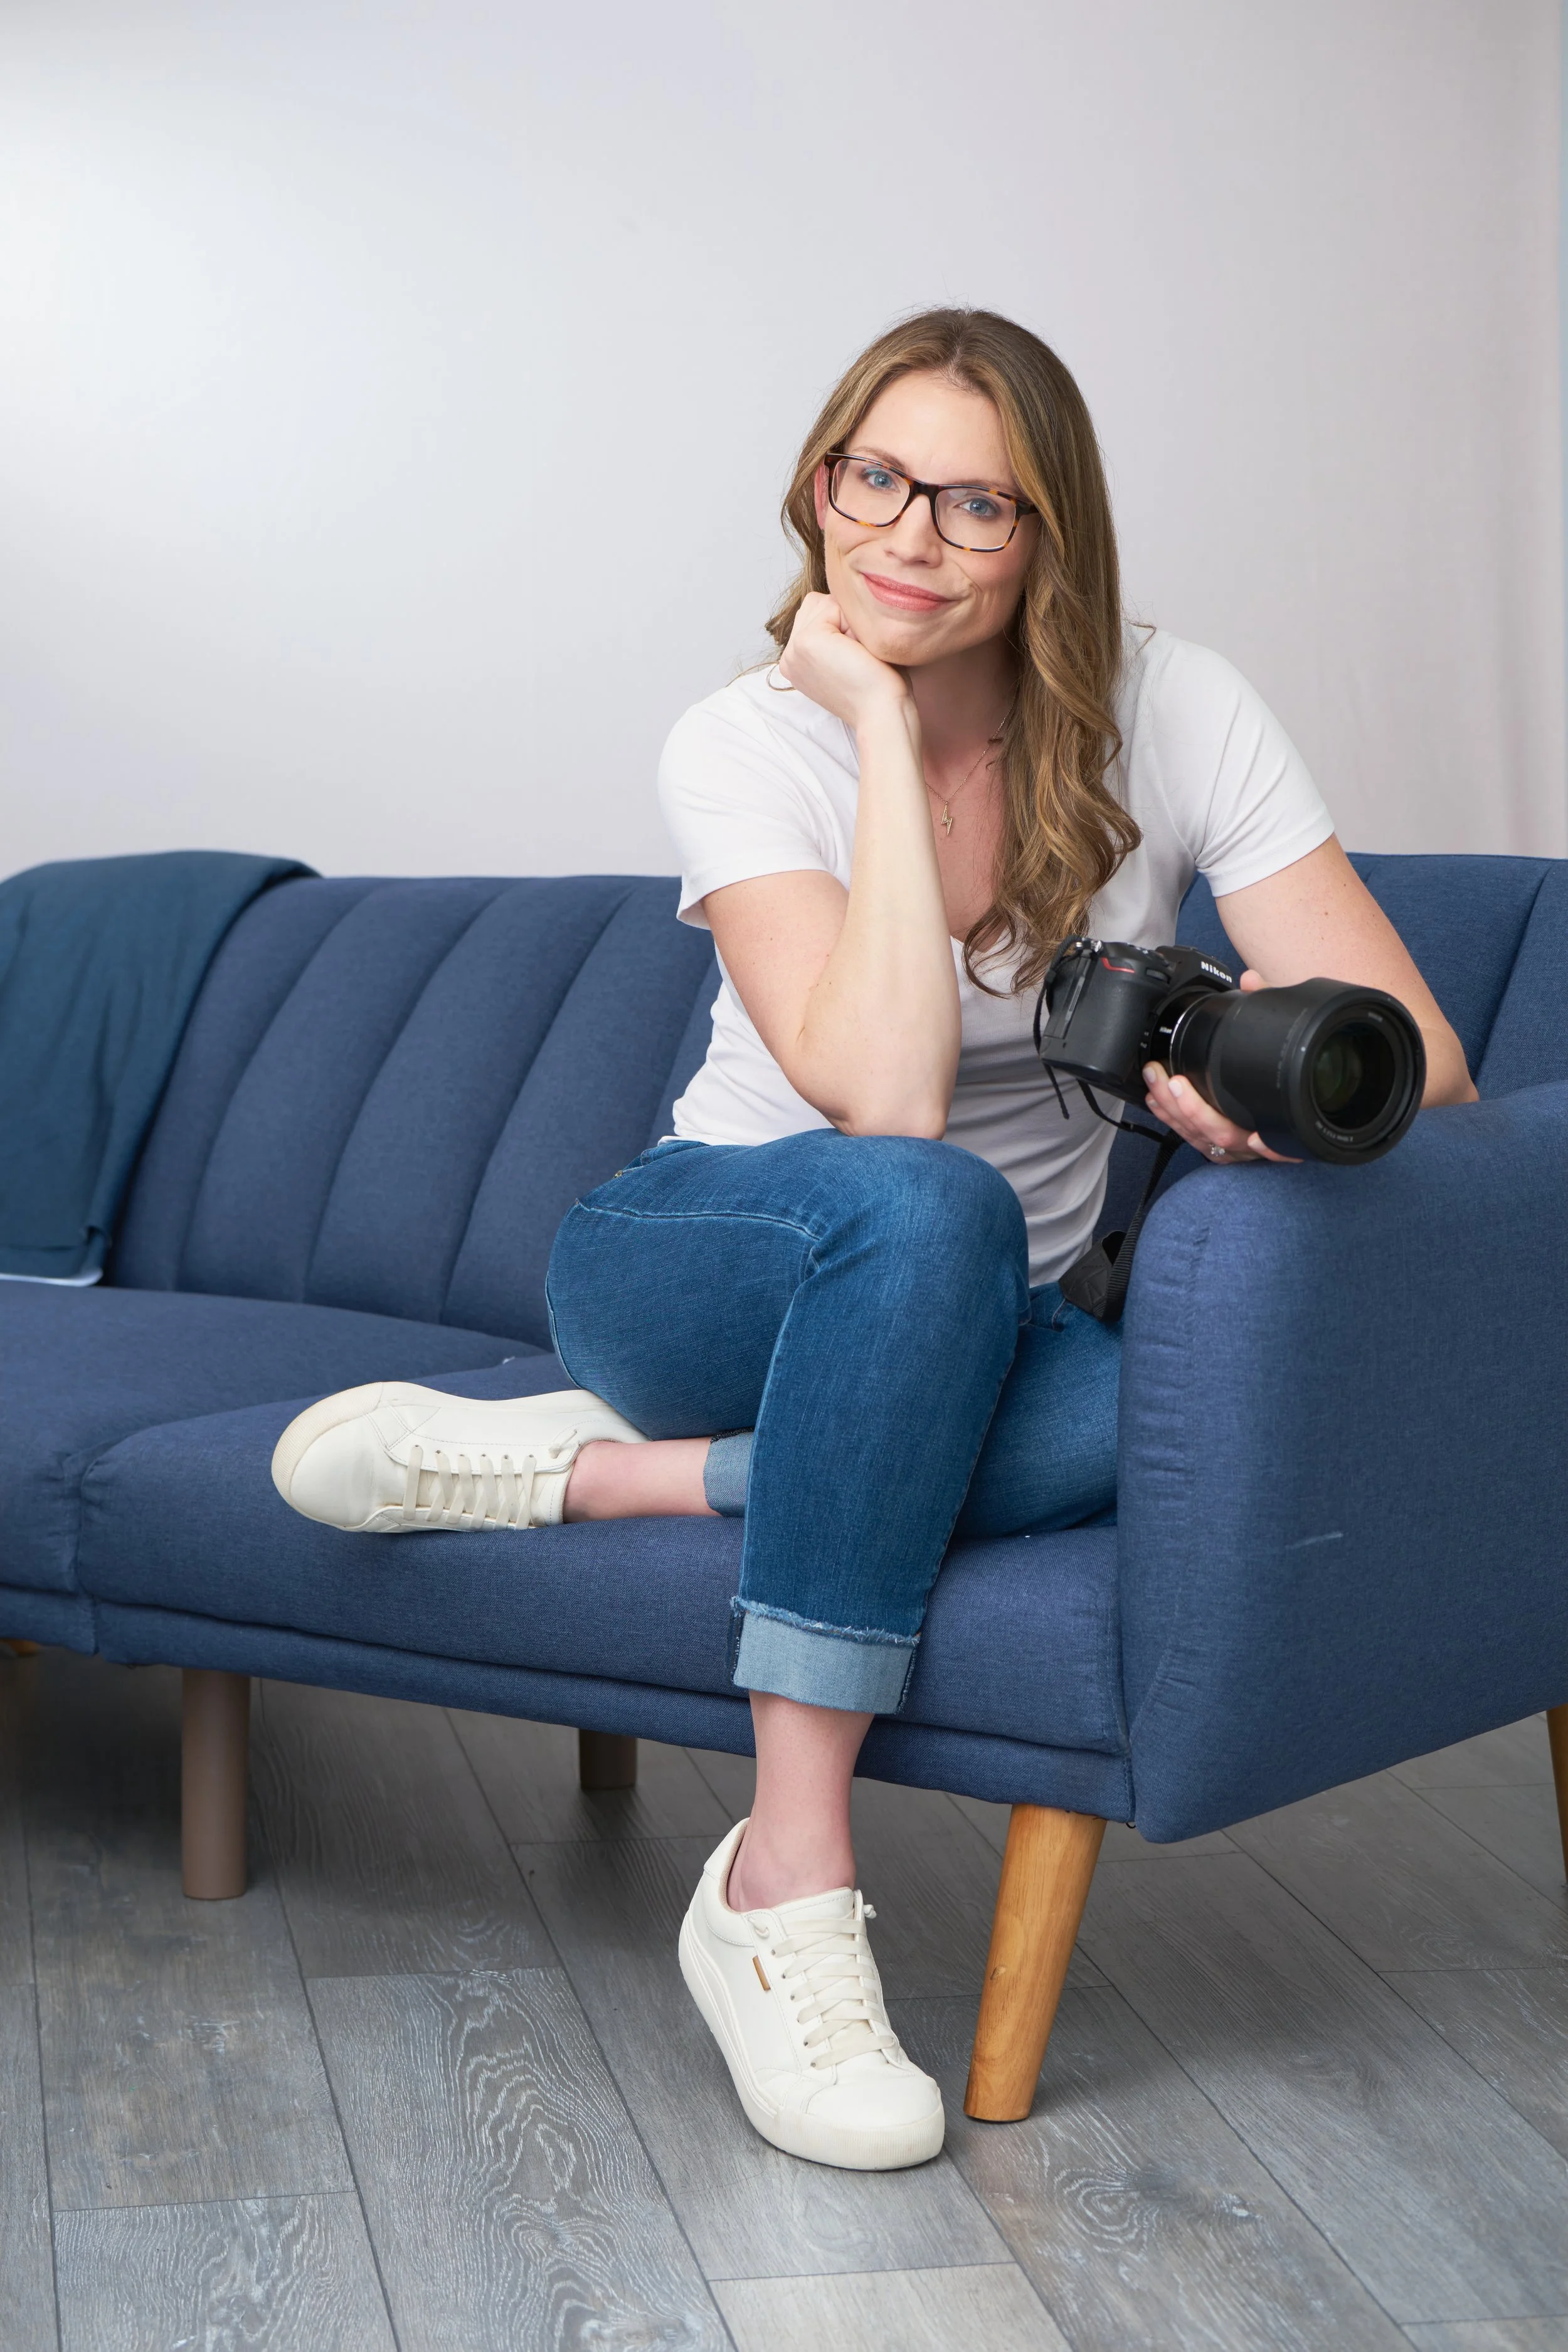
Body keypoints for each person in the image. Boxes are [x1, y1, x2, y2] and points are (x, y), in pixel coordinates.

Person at [271, 307, 1476, 2172]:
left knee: (1169, 1406)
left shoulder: (1173, 706)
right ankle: (784, 1876)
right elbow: (889, 1104)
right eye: (877, 479)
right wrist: (879, 728)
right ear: (819, 484)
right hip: (701, 1258)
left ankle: (608, 1477)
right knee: (934, 1199)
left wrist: (1256, 1094)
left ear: (1050, 538)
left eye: (977, 505)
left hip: (987, 1332)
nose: (910, 534)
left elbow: (1431, 1067)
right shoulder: (748, 739)